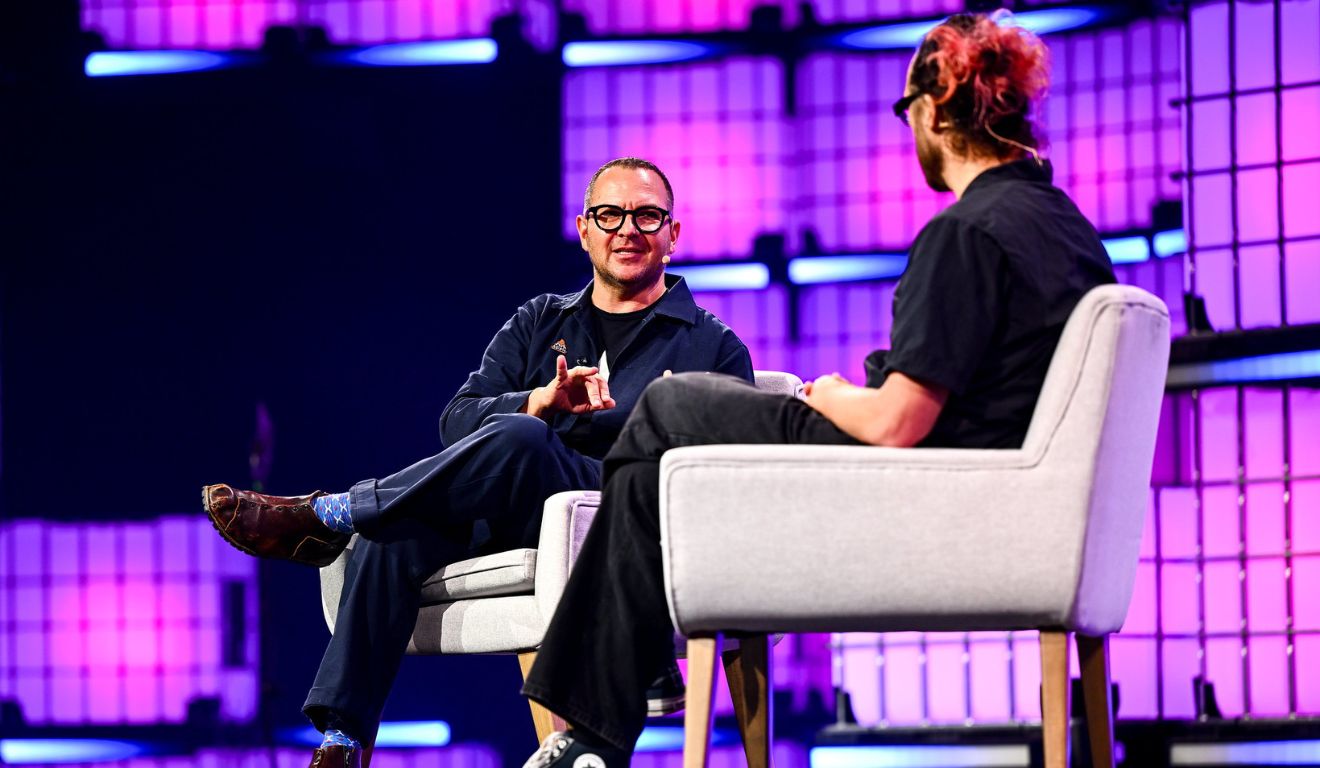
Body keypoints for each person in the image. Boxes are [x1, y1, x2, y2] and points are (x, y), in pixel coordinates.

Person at [519, 13, 1118, 767]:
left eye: (909, 113)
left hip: (927, 479)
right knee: (649, 464)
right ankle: (600, 728)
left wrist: (828, 393)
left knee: (670, 405)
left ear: (934, 109)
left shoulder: (968, 230)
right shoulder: (1066, 226)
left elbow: (900, 420)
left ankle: (593, 722)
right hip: (1002, 487)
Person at [201, 157, 753, 768]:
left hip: (611, 513)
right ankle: (342, 741)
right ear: (584, 228)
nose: (628, 229)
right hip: (511, 508)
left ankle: (333, 513)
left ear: (674, 233)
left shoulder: (714, 346)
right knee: (398, 531)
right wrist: (537, 399)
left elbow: (722, 471)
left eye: (647, 215)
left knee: (521, 440)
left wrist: (604, 423)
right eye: (610, 214)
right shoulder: (541, 320)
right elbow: (455, 422)